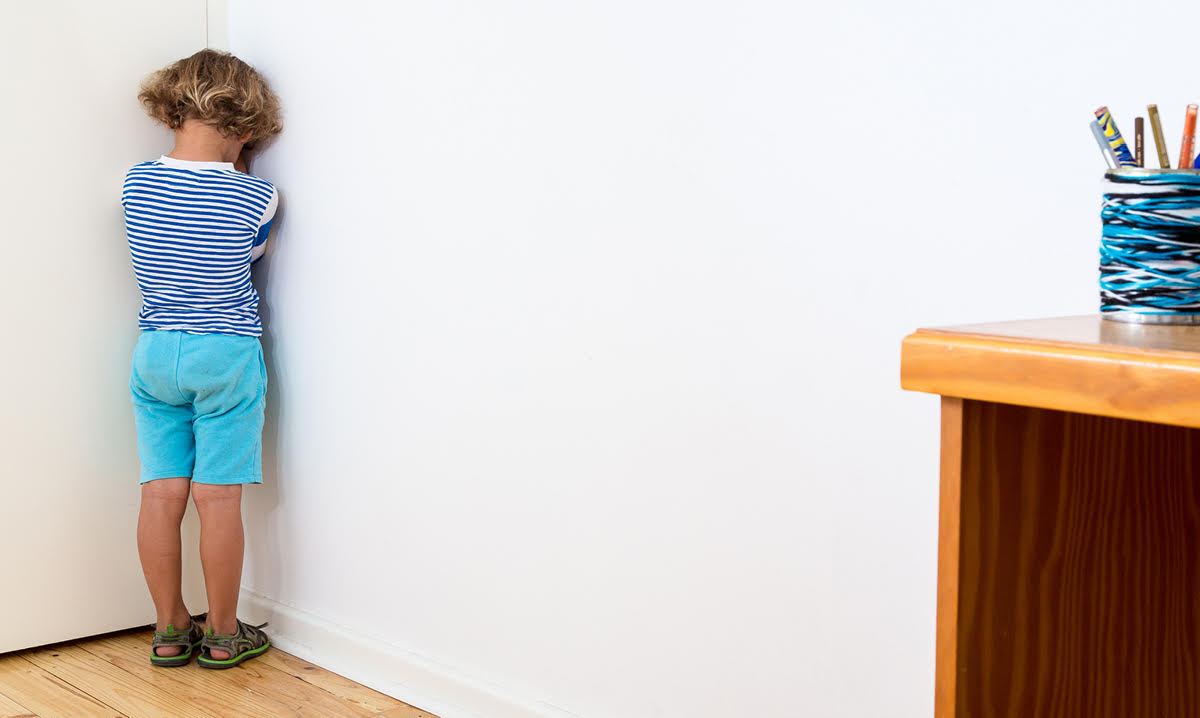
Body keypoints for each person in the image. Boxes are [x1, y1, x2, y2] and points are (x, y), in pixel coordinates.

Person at [123, 48, 282, 669]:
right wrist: (239, 168)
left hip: (156, 353)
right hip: (224, 354)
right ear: (245, 129)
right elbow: (253, 254)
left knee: (160, 494)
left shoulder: (137, 181)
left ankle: (169, 629)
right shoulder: (258, 195)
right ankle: (222, 632)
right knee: (217, 500)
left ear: (170, 113)